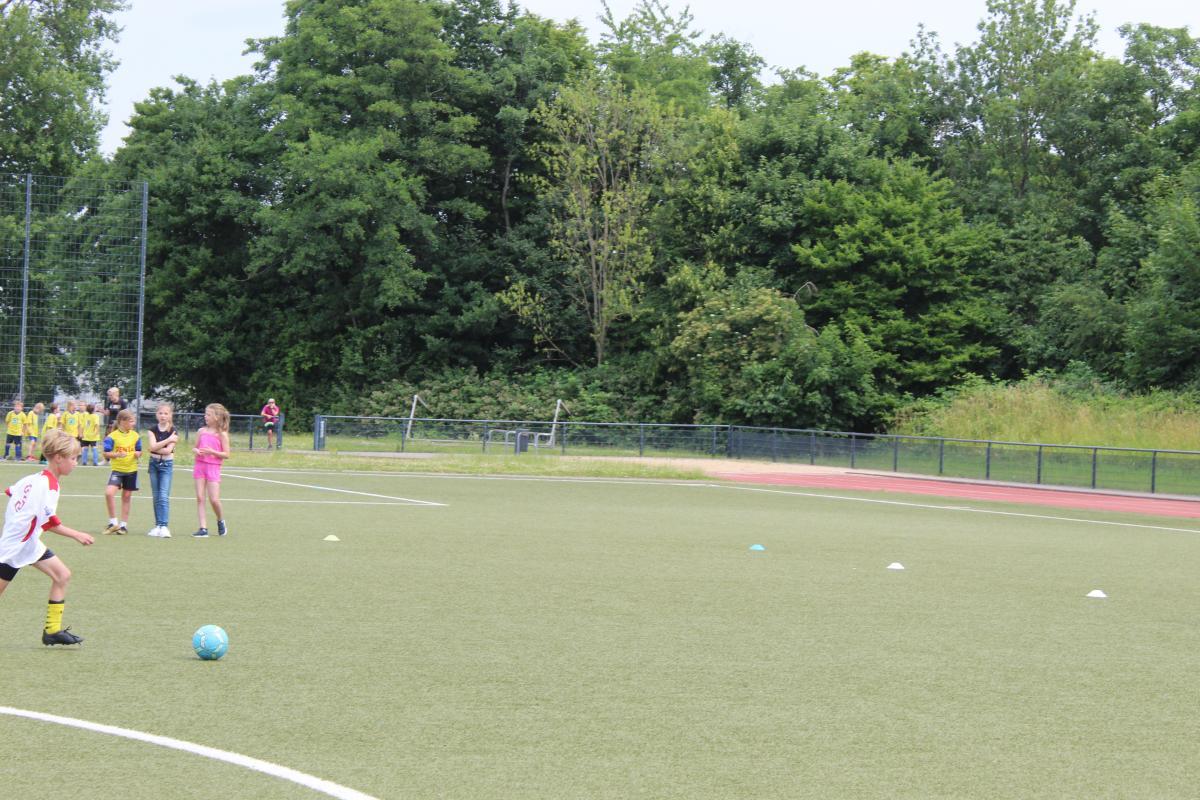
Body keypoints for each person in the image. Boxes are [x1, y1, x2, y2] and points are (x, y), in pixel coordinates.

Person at [1, 429, 95, 646]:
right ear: (59, 458)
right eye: (73, 458)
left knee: (62, 575)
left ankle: (52, 631)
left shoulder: (33, 478)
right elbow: (49, 523)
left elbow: (10, 491)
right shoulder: (49, 486)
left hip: (29, 543)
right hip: (14, 547)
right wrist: (77, 535)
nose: (76, 463)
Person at [192, 403, 231, 538]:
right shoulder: (201, 431)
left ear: (216, 417)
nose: (205, 416)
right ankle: (203, 528)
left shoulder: (222, 434)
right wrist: (196, 451)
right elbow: (195, 447)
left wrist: (212, 452)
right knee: (200, 497)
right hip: (200, 465)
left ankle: (220, 520)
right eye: (205, 414)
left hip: (213, 467)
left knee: (214, 499)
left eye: (208, 414)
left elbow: (227, 454)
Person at [101, 408, 141, 535]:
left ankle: (123, 526)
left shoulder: (135, 436)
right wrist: (117, 454)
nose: (133, 423)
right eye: (131, 421)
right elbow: (106, 453)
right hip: (117, 471)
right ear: (122, 422)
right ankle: (113, 523)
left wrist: (137, 454)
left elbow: (139, 450)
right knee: (109, 493)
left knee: (126, 497)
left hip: (131, 470)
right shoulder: (112, 437)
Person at [146, 403, 179, 538]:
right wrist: (166, 441)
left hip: (166, 464)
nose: (163, 416)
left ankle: (164, 526)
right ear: (156, 415)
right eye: (160, 413)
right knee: (156, 496)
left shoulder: (173, 431)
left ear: (170, 415)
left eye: (166, 413)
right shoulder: (152, 430)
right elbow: (152, 446)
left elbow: (167, 450)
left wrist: (154, 448)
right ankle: (158, 525)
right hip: (153, 464)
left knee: (163, 495)